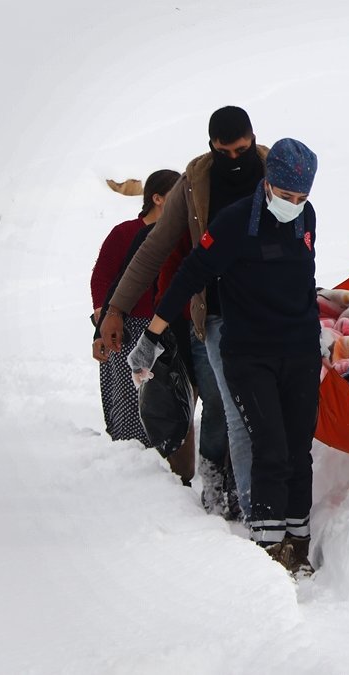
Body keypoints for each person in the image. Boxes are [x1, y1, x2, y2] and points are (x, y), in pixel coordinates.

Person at [126, 138, 321, 576]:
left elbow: (300, 276)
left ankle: (299, 542)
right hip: (249, 352)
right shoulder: (234, 223)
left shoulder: (305, 216)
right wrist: (152, 335)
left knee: (298, 449)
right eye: (286, 195)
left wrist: (317, 326)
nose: (294, 204)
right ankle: (270, 551)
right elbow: (187, 275)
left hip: (300, 350)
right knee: (269, 446)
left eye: (302, 197)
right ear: (268, 183)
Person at [98, 106, 267, 515]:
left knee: (255, 406)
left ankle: (253, 488)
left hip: (264, 309)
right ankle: (215, 479)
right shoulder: (194, 182)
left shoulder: (271, 168)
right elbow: (154, 248)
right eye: (223, 152)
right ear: (211, 146)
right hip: (210, 311)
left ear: (252, 140)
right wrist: (115, 308)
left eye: (240, 150)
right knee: (216, 401)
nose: (233, 160)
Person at [89, 169, 182, 454]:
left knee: (165, 394)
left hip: (167, 325)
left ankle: (165, 451)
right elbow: (103, 278)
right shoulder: (126, 233)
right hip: (128, 325)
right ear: (157, 198)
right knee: (130, 393)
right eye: (175, 194)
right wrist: (102, 323)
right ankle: (129, 455)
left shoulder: (180, 234)